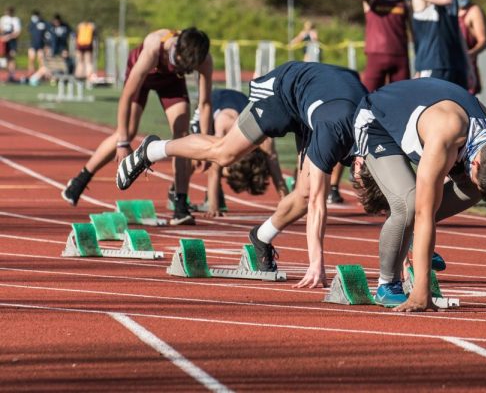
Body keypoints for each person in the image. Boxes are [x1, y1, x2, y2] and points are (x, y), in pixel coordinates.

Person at [117, 61, 367, 287]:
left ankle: (261, 236)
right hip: (282, 90)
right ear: (358, 165)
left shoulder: (373, 137)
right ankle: (152, 149)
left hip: (317, 100)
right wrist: (316, 263)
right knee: (224, 153)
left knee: (303, 194)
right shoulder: (336, 131)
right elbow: (318, 202)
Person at [351, 78, 486, 311]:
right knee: (409, 204)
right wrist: (421, 292)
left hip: (427, 118)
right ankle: (388, 284)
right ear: (476, 164)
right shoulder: (445, 137)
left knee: (477, 190)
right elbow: (424, 212)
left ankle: (412, 240)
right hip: (377, 122)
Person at [61, 27, 213, 227]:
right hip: (142, 76)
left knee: (182, 136)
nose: (180, 70)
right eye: (178, 64)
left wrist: (206, 144)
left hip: (171, 84)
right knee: (128, 131)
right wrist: (123, 142)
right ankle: (80, 179)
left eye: (186, 70)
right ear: (175, 49)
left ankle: (180, 205)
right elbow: (127, 95)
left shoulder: (203, 59)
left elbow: (204, 104)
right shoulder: (153, 48)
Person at [188, 88, 290, 217]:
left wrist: (286, 201)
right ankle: (178, 192)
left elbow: (276, 171)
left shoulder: (265, 139)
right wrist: (213, 207)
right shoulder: (225, 125)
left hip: (240, 102)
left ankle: (215, 193)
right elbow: (215, 166)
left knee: (224, 163)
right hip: (214, 104)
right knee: (198, 158)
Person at [342, 0, 411, 92]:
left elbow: (414, 31)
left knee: (403, 99)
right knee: (368, 98)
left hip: (400, 56)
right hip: (375, 55)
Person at [411, 0, 469, 88]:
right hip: (433, 63)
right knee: (432, 108)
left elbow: (458, 32)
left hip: (455, 64)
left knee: (460, 109)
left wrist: (468, 65)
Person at [455, 0, 486, 95]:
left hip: (467, 69)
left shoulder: (474, 11)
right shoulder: (448, 12)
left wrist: (470, 54)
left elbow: (483, 40)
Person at [0, 7, 22, 82]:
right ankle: (7, 75)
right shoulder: (3, 19)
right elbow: (1, 29)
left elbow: (17, 32)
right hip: (4, 41)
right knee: (6, 58)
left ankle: (12, 75)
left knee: (12, 57)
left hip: (12, 41)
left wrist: (9, 36)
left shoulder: (15, 20)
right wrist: (3, 36)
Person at [26, 10, 48, 76]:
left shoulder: (44, 23)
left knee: (40, 60)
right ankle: (31, 75)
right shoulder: (32, 24)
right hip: (33, 44)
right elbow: (29, 30)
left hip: (41, 45)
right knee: (31, 60)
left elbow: (47, 33)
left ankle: (39, 75)